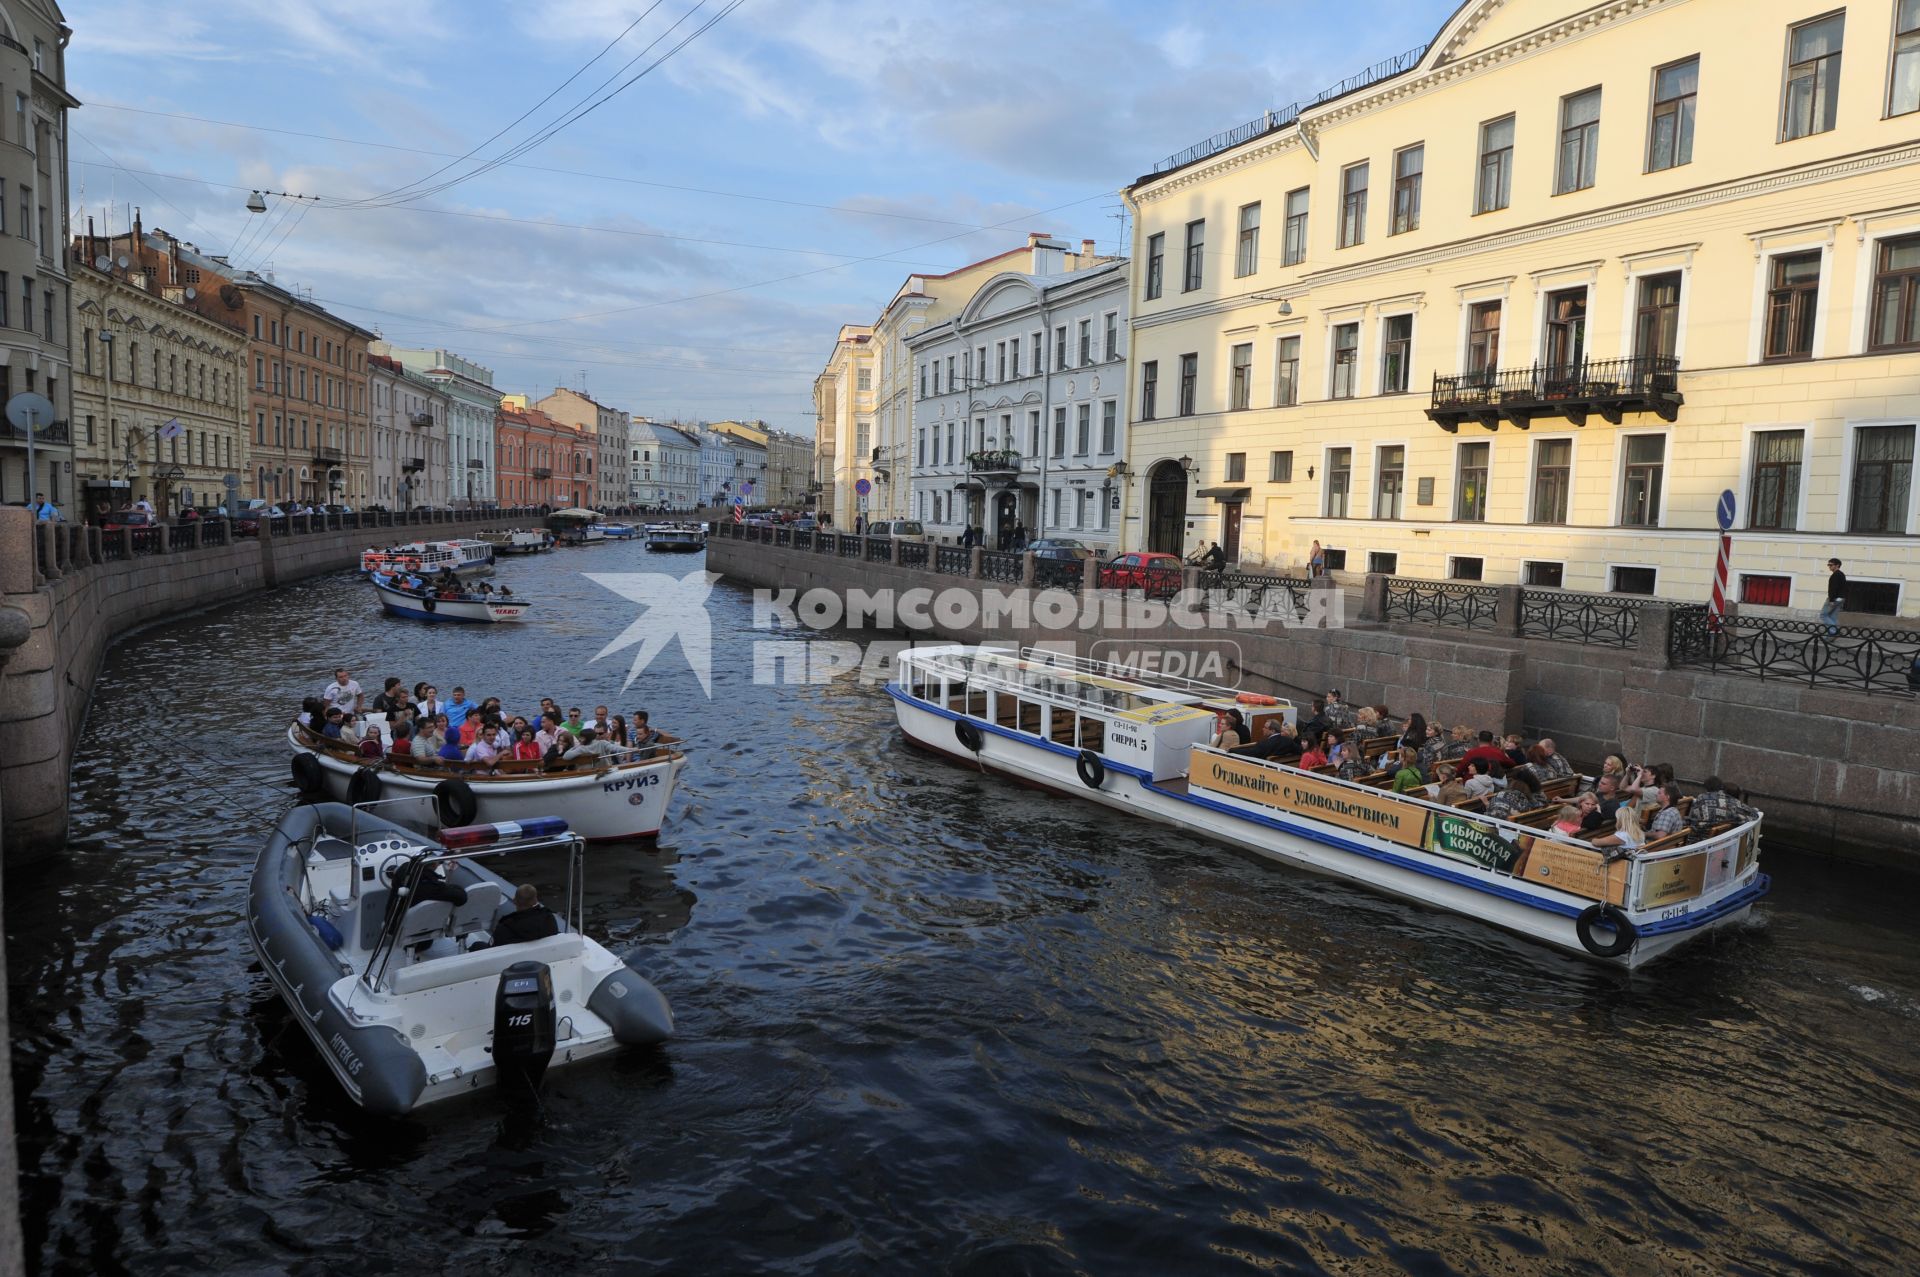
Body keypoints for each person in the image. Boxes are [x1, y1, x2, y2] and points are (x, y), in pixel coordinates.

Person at [489, 884, 561, 948]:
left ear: (514, 901)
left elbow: (492, 948)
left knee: (478, 944)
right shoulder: (549, 919)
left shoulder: (504, 927)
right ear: (535, 900)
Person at [1234, 718, 1301, 762]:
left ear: (1272, 731)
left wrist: (1232, 750)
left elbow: (1251, 752)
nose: (1263, 729)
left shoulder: (1265, 744)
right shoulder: (1288, 741)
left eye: (1265, 727)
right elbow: (1299, 750)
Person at [1821, 558, 1846, 636]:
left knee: (1823, 615)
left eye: (1831, 565)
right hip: (1841, 598)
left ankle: (1835, 631)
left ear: (1837, 565)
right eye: (1828, 565)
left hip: (1834, 599)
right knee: (1832, 617)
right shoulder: (1841, 574)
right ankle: (1831, 636)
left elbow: (1833, 588)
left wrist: (1831, 600)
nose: (1829, 567)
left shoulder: (1836, 575)